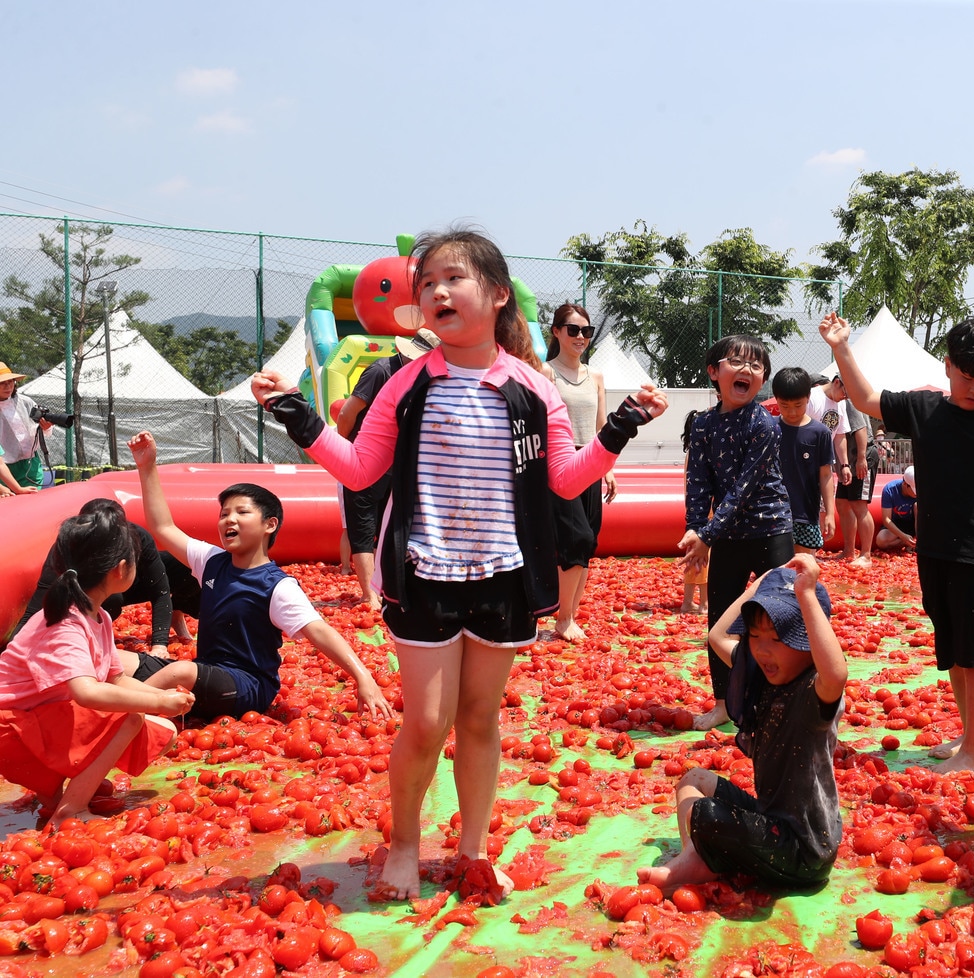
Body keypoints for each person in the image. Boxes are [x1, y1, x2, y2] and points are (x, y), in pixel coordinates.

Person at [252, 226, 665, 901]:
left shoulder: (531, 388)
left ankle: (472, 850)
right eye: (428, 286)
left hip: (503, 578)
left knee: (480, 719)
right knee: (424, 720)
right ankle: (408, 844)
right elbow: (360, 471)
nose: (438, 292)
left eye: (454, 278)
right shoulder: (404, 381)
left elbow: (565, 480)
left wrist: (618, 428)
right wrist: (297, 415)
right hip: (423, 575)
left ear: (498, 294)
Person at [822, 314, 974, 775]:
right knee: (955, 653)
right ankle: (969, 737)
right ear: (948, 366)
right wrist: (841, 348)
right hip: (934, 553)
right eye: (968, 377)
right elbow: (866, 399)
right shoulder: (924, 409)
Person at [126, 431, 393, 728]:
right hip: (206, 673)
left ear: (270, 524)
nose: (229, 519)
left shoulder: (277, 586)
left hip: (247, 687)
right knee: (119, 660)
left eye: (242, 512)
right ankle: (126, 702)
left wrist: (363, 677)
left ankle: (119, 715)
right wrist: (147, 466)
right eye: (224, 513)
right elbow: (163, 527)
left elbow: (321, 632)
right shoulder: (212, 561)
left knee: (181, 674)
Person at [636, 556, 845, 891]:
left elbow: (836, 673)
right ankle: (697, 857)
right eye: (755, 635)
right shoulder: (760, 677)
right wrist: (760, 584)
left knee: (707, 815)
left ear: (809, 645)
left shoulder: (812, 693)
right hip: (769, 823)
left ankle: (698, 861)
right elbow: (718, 636)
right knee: (694, 781)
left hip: (803, 851)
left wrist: (805, 595)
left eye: (777, 638)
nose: (762, 650)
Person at [0, 509, 194, 825]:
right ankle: (70, 811)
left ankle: (58, 792)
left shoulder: (97, 616)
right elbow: (87, 692)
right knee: (129, 720)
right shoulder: (66, 622)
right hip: (11, 730)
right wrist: (157, 701)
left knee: (161, 730)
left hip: (31, 720)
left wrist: (165, 698)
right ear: (120, 570)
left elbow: (115, 678)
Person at [679, 336, 794, 731]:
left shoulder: (765, 424)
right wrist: (695, 529)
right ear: (714, 372)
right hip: (726, 536)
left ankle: (784, 698)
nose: (746, 369)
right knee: (721, 620)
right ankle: (724, 703)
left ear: (762, 380)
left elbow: (744, 489)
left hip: (769, 529)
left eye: (756, 365)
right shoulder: (703, 424)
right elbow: (698, 483)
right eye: (735, 362)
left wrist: (707, 534)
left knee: (780, 616)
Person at [336, 328, 441, 613]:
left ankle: (387, 588)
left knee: (389, 526)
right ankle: (370, 594)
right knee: (363, 526)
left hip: (399, 464)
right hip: (365, 461)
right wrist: (347, 449)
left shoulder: (426, 377)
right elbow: (348, 413)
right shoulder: (381, 371)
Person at [12, 498, 194, 658]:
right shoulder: (68, 548)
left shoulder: (136, 538)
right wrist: (13, 650)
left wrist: (159, 645)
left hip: (127, 584)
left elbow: (160, 591)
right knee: (112, 601)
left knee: (186, 564)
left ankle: (175, 615)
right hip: (95, 597)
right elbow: (37, 607)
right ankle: (90, 635)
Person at [544, 304, 617, 642]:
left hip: (590, 459)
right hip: (559, 461)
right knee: (576, 538)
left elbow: (602, 428)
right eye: (573, 330)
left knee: (589, 539)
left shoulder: (597, 377)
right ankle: (562, 617)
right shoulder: (545, 373)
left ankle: (569, 614)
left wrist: (609, 468)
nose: (580, 337)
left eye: (586, 331)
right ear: (556, 331)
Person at [771, 367, 836, 555]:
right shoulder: (770, 428)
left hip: (806, 513)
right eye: (784, 405)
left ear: (809, 397)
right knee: (778, 571)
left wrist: (830, 513)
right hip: (774, 512)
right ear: (776, 399)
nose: (792, 412)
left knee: (805, 569)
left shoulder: (820, 433)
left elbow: (826, 475)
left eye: (798, 405)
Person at [836, 392, 878, 566]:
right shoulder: (834, 404)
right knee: (842, 502)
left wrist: (861, 458)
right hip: (848, 459)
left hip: (862, 455)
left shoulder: (848, 401)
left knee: (859, 504)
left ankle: (866, 554)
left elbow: (861, 428)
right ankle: (848, 549)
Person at [0, 363, 49, 492]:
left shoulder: (25, 401)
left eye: (11, 381)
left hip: (30, 464)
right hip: (4, 468)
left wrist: (46, 426)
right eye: (2, 383)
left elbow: (40, 428)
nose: (8, 386)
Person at [680, 410, 708, 616]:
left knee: (692, 558)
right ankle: (704, 604)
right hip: (706, 513)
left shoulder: (691, 451)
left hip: (694, 512)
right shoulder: (702, 452)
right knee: (705, 559)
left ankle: (688, 601)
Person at [806, 374, 852, 484]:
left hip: (825, 461)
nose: (844, 398)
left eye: (847, 398)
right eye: (845, 394)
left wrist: (845, 465)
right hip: (806, 460)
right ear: (836, 382)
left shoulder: (841, 403)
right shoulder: (812, 397)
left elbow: (840, 436)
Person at [875, 466, 918, 552]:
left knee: (917, 505)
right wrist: (903, 536)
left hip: (915, 523)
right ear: (905, 484)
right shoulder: (890, 490)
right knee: (881, 541)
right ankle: (908, 543)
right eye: (914, 490)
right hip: (897, 524)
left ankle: (916, 542)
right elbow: (886, 519)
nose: (916, 494)